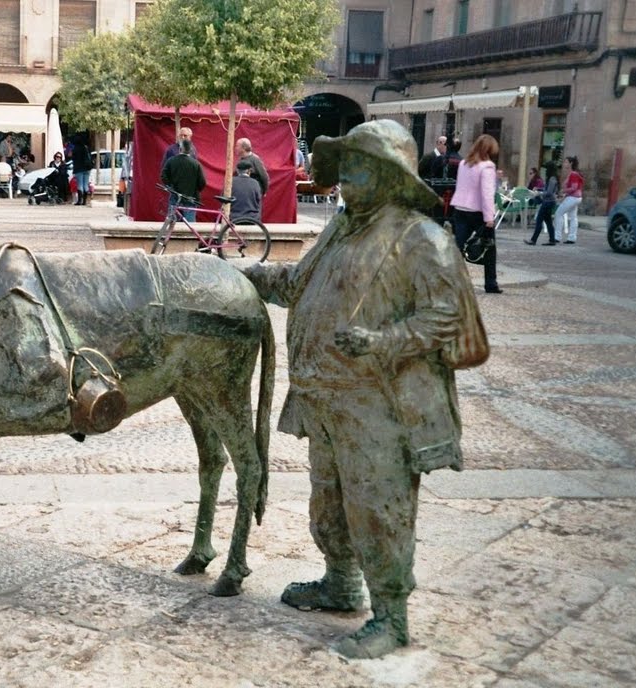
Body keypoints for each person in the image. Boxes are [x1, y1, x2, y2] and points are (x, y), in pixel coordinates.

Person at [242, 119, 487, 660]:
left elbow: (446, 318)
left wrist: (383, 341)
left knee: (379, 508)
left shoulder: (422, 239)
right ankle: (340, 582)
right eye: (343, 169)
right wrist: (246, 275)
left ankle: (392, 616)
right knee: (328, 506)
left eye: (355, 169)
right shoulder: (339, 229)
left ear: (385, 175)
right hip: (325, 398)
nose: (343, 180)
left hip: (382, 407)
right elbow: (295, 283)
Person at [450, 134, 502, 294]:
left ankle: (450, 282)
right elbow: (487, 194)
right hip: (478, 212)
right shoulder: (487, 166)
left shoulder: (464, 163)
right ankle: (491, 283)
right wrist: (489, 218)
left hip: (460, 208)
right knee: (489, 249)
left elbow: (461, 185)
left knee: (458, 247)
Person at [160, 139, 206, 222]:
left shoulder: (171, 161)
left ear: (180, 149)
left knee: (171, 223)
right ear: (190, 150)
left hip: (174, 196)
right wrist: (195, 189)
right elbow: (202, 182)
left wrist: (170, 185)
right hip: (191, 197)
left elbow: (163, 176)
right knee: (189, 226)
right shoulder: (196, 164)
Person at [525, 161, 560, 246]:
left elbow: (549, 192)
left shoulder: (552, 178)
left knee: (539, 220)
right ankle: (552, 240)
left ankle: (533, 240)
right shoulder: (552, 178)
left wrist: (539, 193)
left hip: (548, 202)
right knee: (548, 222)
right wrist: (539, 189)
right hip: (549, 202)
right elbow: (546, 189)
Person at [554, 155, 584, 244]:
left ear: (571, 163)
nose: (564, 163)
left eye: (566, 162)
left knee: (558, 213)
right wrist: (565, 194)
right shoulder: (573, 173)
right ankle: (572, 238)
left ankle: (557, 237)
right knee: (573, 217)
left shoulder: (574, 174)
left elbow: (574, 187)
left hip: (573, 197)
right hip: (576, 197)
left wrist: (564, 191)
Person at [230, 159, 262, 225]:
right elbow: (258, 200)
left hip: (233, 218)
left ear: (237, 170)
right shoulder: (255, 183)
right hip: (252, 218)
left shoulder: (230, 181)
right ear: (249, 171)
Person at [70, 134, 93, 206]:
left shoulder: (75, 149)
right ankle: (85, 201)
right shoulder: (85, 148)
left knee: (80, 185)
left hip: (78, 169)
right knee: (86, 184)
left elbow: (72, 158)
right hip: (87, 168)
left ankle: (80, 201)